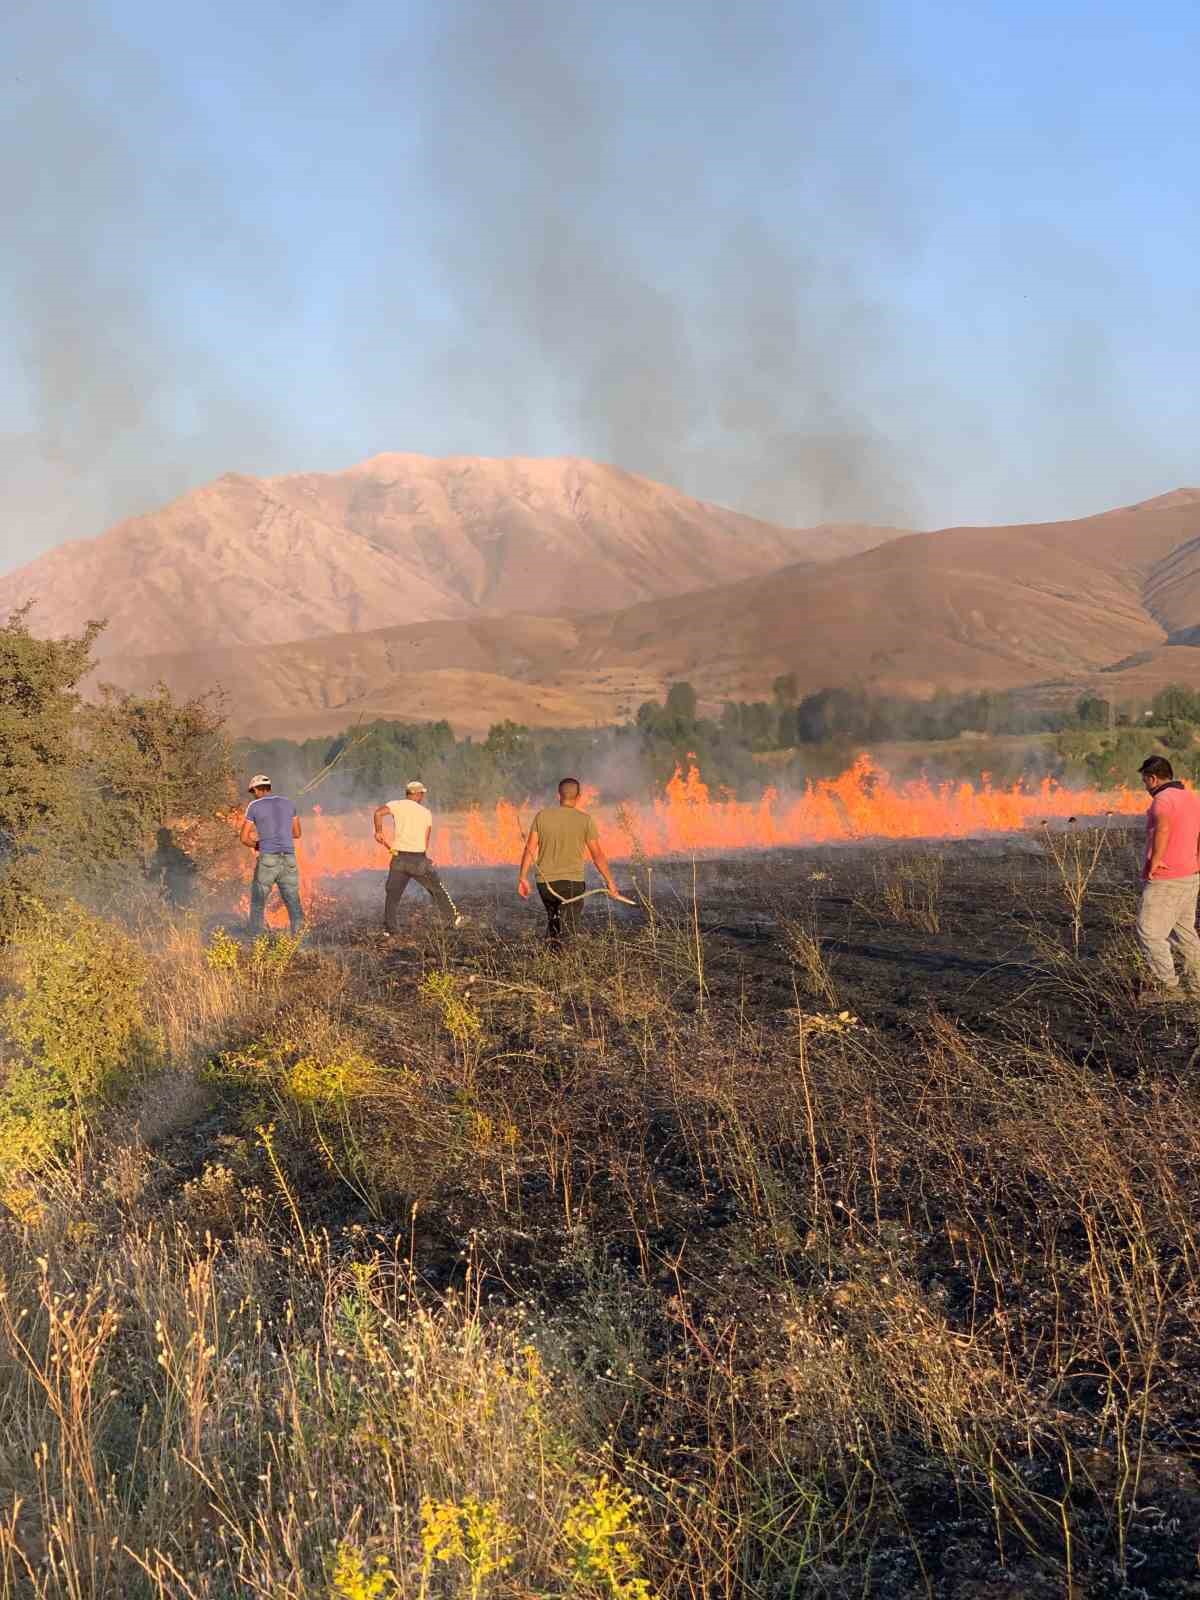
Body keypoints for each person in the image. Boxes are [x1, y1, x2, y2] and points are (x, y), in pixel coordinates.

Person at [517, 777, 619, 943]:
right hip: (572, 883)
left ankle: (550, 959)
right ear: (579, 797)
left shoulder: (541, 816)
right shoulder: (585, 820)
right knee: (569, 929)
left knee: (554, 922)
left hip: (545, 884)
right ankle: (565, 963)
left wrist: (522, 877)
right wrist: (610, 882)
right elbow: (597, 855)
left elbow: (529, 848)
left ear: (558, 796)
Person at [1135, 755, 1200, 1000]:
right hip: (1190, 874)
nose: (1145, 786)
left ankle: (1169, 988)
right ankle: (1197, 987)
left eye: (1144, 781)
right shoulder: (1191, 797)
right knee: (1184, 934)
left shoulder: (1162, 799)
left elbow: (1162, 826)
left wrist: (1156, 860)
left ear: (1153, 778)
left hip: (1167, 878)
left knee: (1149, 932)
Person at [373, 779, 463, 933]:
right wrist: (424, 857)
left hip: (399, 859)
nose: (423, 796)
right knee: (436, 889)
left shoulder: (397, 805)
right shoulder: (426, 813)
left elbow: (378, 813)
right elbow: (426, 839)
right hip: (418, 859)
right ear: (417, 794)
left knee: (392, 895)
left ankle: (390, 929)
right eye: (422, 793)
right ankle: (454, 918)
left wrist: (379, 831)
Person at [239, 774, 304, 936]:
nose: (252, 794)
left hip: (268, 858)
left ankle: (256, 939)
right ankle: (300, 943)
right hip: (289, 858)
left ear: (255, 789)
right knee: (293, 903)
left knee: (258, 903)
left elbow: (244, 838)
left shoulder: (254, 806)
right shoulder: (289, 803)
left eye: (252, 791)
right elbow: (297, 833)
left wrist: (257, 844)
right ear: (269, 787)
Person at [146, 825, 197, 909]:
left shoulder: (175, 852)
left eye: (163, 838)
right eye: (160, 838)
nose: (161, 841)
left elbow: (192, 866)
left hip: (179, 886)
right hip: (172, 887)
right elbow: (153, 875)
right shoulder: (162, 854)